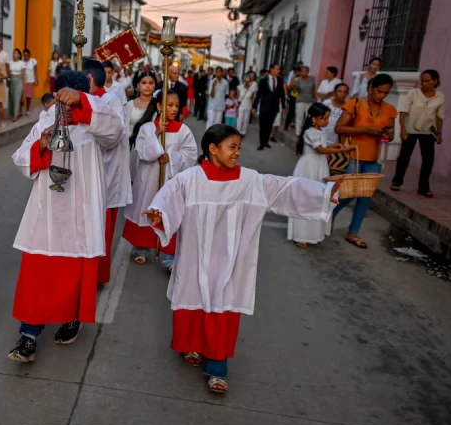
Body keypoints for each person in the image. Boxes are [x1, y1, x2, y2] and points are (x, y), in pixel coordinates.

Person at [143, 124, 341, 394]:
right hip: (195, 256)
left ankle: (217, 368)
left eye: (239, 147)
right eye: (232, 147)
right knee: (191, 300)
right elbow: (168, 198)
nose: (237, 153)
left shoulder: (250, 181)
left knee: (223, 307)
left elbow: (285, 188)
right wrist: (159, 212)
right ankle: (191, 344)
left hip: (231, 261)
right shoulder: (189, 179)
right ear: (213, 149)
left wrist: (325, 193)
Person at [8, 71, 123, 363]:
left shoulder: (96, 125)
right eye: (63, 102)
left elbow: (115, 132)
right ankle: (28, 334)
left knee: (74, 274)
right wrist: (42, 145)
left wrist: (83, 104)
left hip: (81, 212)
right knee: (37, 275)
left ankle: (71, 318)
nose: (66, 109)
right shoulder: (45, 123)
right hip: (47, 212)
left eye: (72, 103)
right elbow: (21, 159)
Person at [123, 90, 196, 269]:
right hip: (148, 180)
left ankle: (171, 254)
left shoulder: (183, 130)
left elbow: (190, 154)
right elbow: (141, 150)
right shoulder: (147, 128)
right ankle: (142, 247)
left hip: (169, 180)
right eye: (169, 105)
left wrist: (171, 157)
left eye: (176, 106)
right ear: (159, 106)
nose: (174, 109)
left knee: (169, 212)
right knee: (147, 208)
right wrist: (156, 135)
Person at [333, 73, 397, 249]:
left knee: (365, 196)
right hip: (354, 154)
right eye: (379, 91)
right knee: (349, 192)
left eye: (386, 92)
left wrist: (387, 133)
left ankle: (353, 232)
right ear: (370, 88)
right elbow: (339, 127)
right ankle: (329, 215)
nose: (381, 95)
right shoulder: (355, 104)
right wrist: (366, 129)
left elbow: (391, 135)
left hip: (374, 157)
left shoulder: (390, 109)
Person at [288, 103, 356, 248]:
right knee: (306, 199)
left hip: (319, 167)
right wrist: (338, 150)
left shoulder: (320, 132)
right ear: (314, 119)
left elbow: (323, 148)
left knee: (317, 199)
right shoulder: (310, 132)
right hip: (309, 168)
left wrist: (336, 146)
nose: (327, 121)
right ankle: (301, 234)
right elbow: (320, 150)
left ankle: (312, 234)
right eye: (324, 118)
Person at [87, 59, 129, 285]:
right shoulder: (88, 99)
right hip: (87, 175)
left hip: (106, 174)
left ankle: (98, 275)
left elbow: (113, 135)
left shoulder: (110, 101)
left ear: (89, 78)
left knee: (101, 229)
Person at [392, 70, 445, 198]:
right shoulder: (413, 93)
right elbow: (403, 112)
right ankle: (397, 182)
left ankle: (423, 187)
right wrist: (403, 130)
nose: (424, 83)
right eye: (422, 80)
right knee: (404, 157)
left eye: (427, 81)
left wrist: (439, 133)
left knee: (428, 160)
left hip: (427, 131)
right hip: (410, 130)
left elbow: (439, 116)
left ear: (435, 81)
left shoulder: (440, 96)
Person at [253, 63, 286, 150]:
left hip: (274, 106)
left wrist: (283, 106)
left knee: (269, 125)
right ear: (271, 69)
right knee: (263, 125)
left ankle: (266, 141)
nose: (278, 71)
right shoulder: (263, 81)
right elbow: (258, 94)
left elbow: (282, 94)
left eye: (279, 69)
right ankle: (261, 143)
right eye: (276, 69)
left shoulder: (280, 80)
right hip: (264, 106)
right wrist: (254, 106)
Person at [290, 66, 317, 136]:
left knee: (309, 117)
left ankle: (307, 131)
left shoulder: (312, 79)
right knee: (299, 116)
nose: (302, 73)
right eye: (302, 71)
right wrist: (294, 87)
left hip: (310, 100)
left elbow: (313, 90)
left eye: (304, 71)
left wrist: (315, 99)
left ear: (308, 72)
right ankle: (298, 132)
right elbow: (295, 91)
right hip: (300, 100)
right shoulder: (298, 80)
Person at [8, 49, 25, 121]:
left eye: (16, 53)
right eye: (13, 53)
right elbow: (8, 73)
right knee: (11, 97)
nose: (14, 54)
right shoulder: (10, 62)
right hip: (11, 80)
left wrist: (24, 84)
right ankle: (15, 112)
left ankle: (15, 115)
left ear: (19, 55)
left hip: (19, 81)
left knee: (17, 97)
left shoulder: (21, 63)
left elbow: (23, 74)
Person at [22, 49, 39, 116]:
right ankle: (20, 110)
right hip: (23, 81)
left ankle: (27, 109)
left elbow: (35, 71)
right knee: (21, 96)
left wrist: (36, 79)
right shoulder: (22, 61)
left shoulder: (33, 61)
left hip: (30, 80)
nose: (25, 56)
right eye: (24, 55)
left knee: (28, 96)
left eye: (27, 55)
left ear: (29, 55)